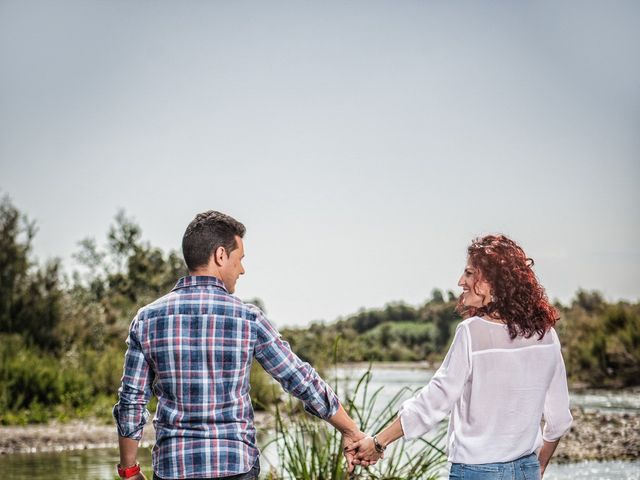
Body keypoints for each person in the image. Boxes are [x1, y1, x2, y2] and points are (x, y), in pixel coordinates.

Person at [113, 210, 363, 480]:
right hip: (235, 467)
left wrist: (129, 470)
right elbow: (299, 378)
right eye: (239, 258)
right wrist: (350, 430)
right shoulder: (248, 318)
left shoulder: (147, 318)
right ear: (220, 255)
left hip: (175, 468)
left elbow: (132, 400)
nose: (242, 269)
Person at [346, 234, 573, 479]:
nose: (460, 281)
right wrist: (537, 468)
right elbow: (559, 420)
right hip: (526, 470)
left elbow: (435, 400)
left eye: (469, 273)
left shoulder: (472, 333)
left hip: (477, 472)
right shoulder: (546, 336)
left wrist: (378, 443)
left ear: (494, 282)